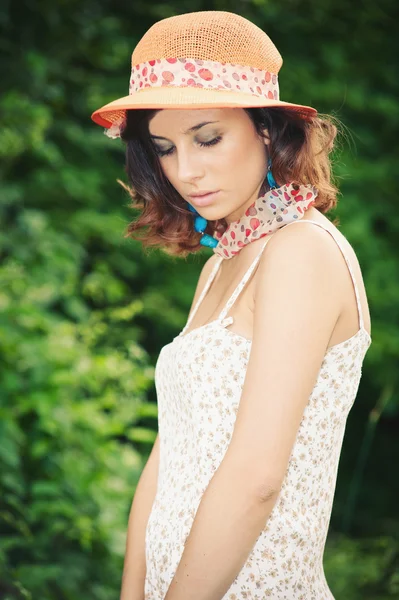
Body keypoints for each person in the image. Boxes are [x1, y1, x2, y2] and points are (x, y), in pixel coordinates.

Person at [91, 10, 372, 600]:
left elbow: (256, 480)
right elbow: (170, 451)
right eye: (165, 149)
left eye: (208, 137)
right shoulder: (224, 262)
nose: (185, 171)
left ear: (266, 129)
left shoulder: (301, 252)